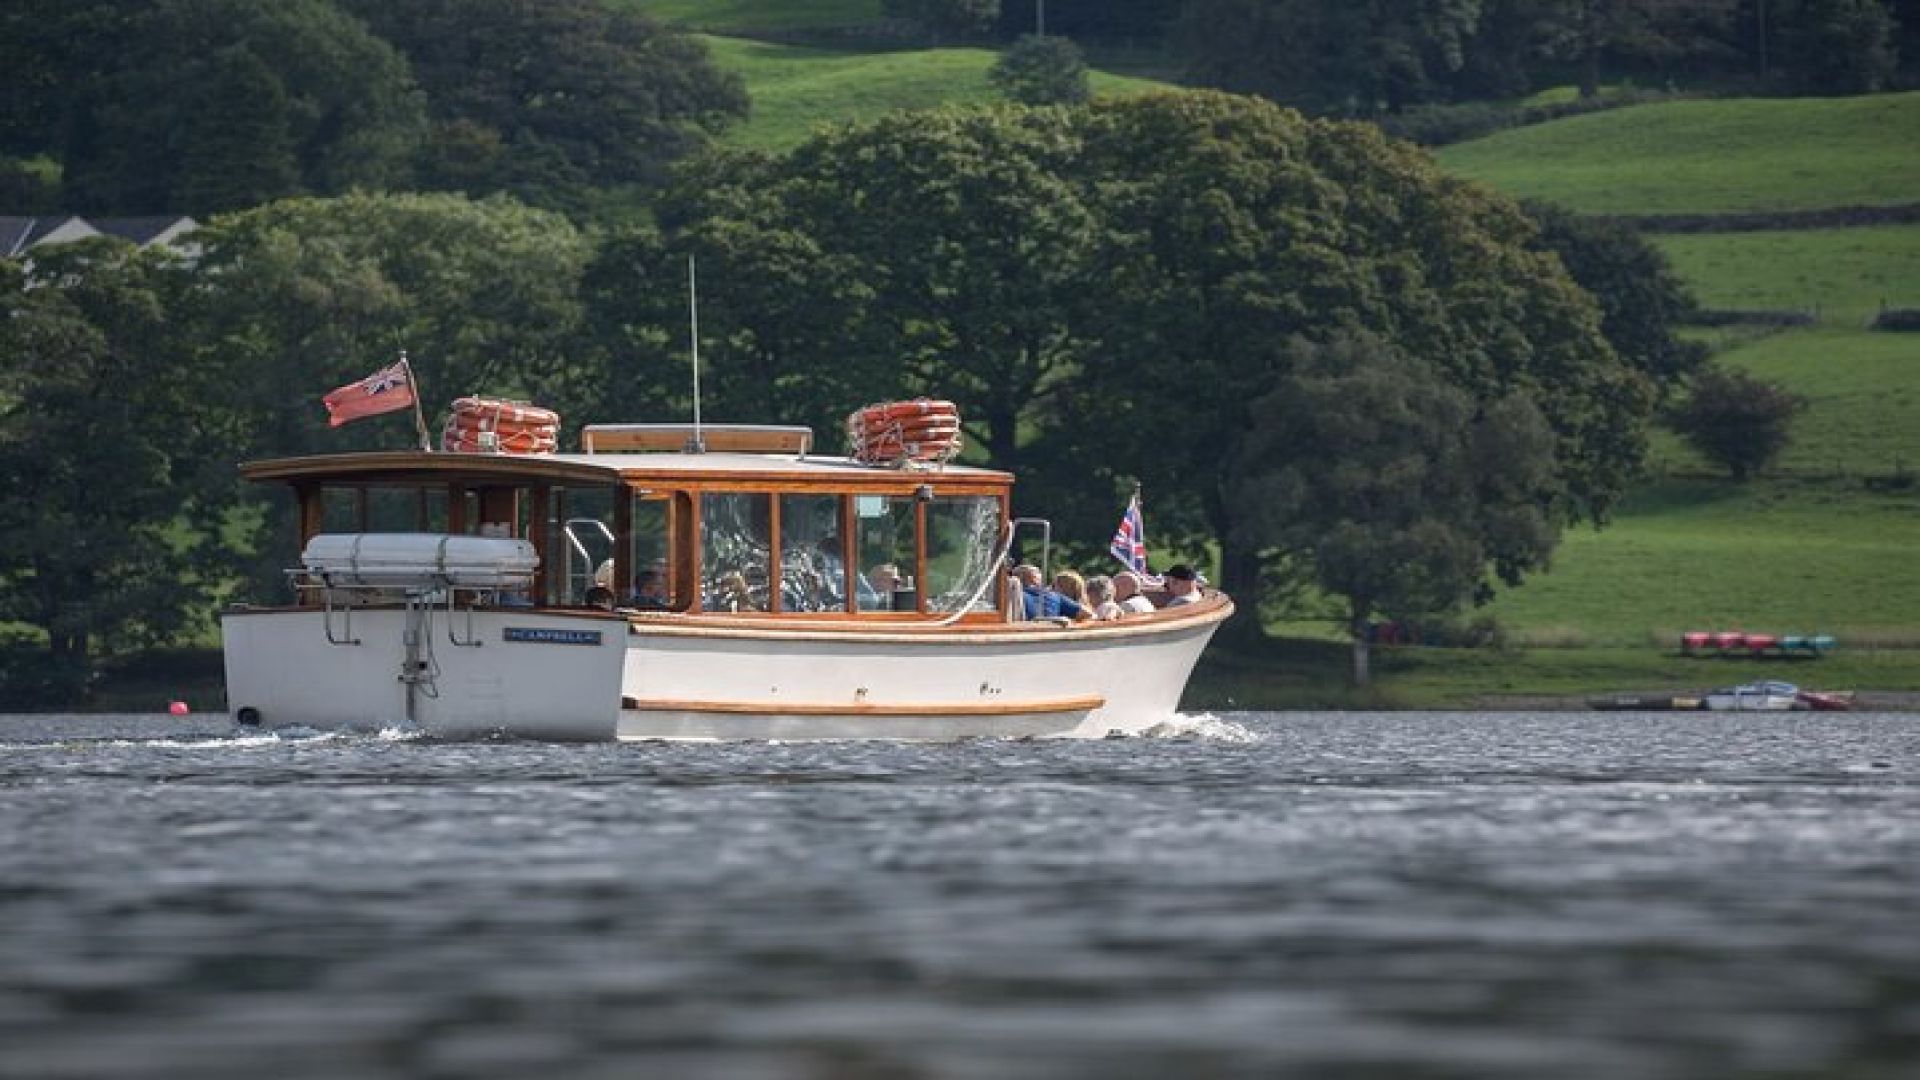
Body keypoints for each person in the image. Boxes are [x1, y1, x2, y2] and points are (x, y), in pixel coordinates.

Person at [1012, 563, 1089, 621]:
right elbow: (1087, 614)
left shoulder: (1010, 597)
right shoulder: (1055, 596)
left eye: (1053, 585)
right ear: (1036, 580)